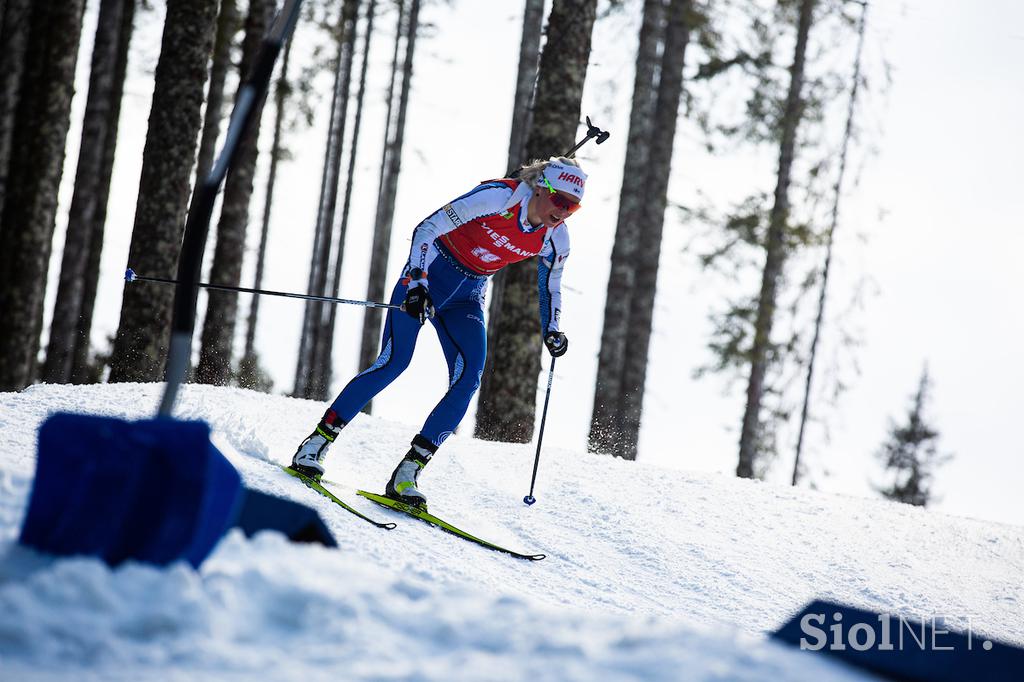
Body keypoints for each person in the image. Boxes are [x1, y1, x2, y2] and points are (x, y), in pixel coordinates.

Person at [289, 156, 586, 508]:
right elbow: (427, 228)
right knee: (395, 361)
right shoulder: (496, 198)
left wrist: (553, 329)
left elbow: (550, 285)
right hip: (431, 274)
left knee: (469, 378)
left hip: (468, 295)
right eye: (560, 201)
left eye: (574, 207)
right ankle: (317, 443)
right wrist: (417, 283)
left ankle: (407, 474)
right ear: (541, 188)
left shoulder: (556, 238)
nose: (564, 212)